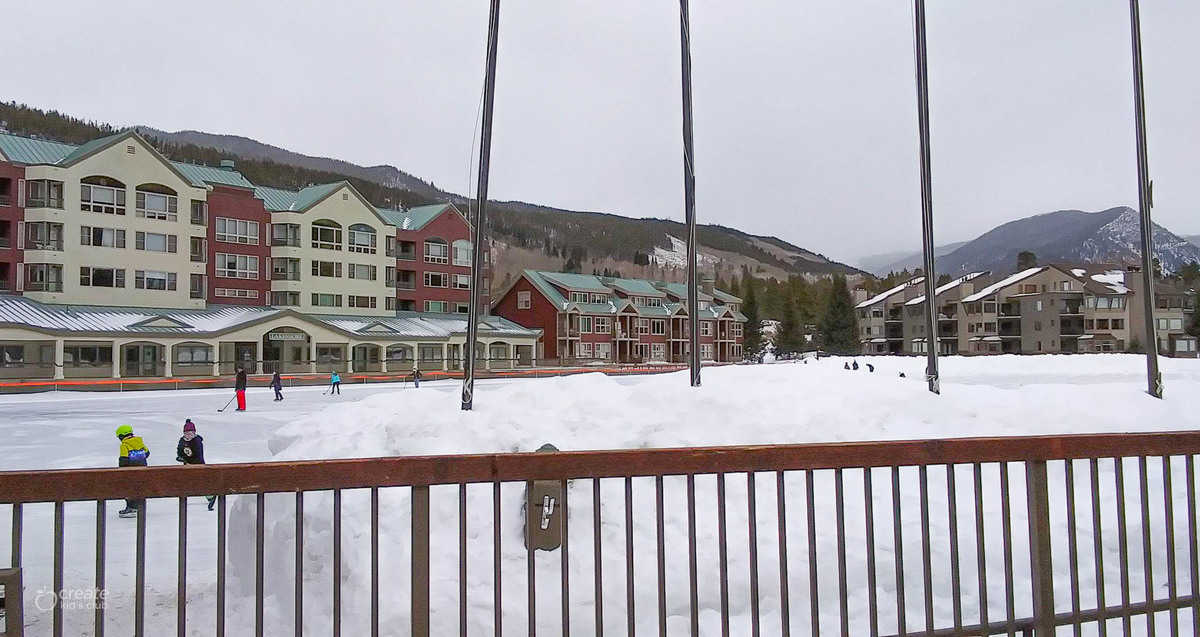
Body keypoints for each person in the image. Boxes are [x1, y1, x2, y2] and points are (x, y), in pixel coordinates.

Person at [176, 419, 217, 510]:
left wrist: (190, 462)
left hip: (198, 465)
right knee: (186, 481)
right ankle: (183, 497)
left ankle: (210, 496)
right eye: (186, 434)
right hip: (187, 465)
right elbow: (179, 450)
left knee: (201, 481)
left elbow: (198, 455)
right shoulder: (182, 441)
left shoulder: (197, 441)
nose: (188, 436)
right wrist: (180, 457)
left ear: (194, 433)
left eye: (191, 433)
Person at [116, 425, 150, 518]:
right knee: (139, 488)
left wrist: (121, 470)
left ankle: (131, 507)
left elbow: (123, 459)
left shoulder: (125, 445)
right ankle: (140, 506)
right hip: (142, 470)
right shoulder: (139, 442)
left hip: (130, 472)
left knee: (129, 489)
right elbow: (147, 453)